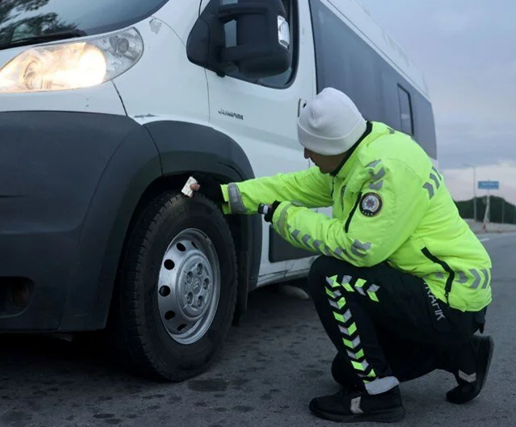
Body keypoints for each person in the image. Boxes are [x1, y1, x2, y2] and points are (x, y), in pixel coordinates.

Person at [191, 87, 494, 423]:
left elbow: (359, 248)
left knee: (330, 275)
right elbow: (293, 185)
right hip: (430, 291)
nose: (306, 154)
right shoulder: (355, 156)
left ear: (334, 146)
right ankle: (462, 353)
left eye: (312, 146)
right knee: (346, 370)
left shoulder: (386, 171)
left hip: (448, 298)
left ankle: (381, 397)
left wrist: (281, 215)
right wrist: (226, 194)